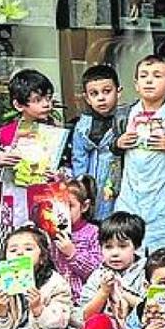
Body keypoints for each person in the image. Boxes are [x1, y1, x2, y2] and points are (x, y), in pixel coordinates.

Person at [51, 212, 147, 329]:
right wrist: (103, 293)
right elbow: (84, 316)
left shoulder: (145, 271)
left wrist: (124, 294)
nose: (115, 253)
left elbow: (148, 310)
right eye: (108, 247)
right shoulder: (98, 275)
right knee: (99, 321)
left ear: (136, 247)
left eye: (122, 246)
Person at [112, 55, 165, 252]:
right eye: (143, 76)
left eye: (157, 76)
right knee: (129, 240)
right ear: (136, 84)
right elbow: (113, 147)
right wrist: (119, 142)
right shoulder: (124, 114)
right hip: (132, 187)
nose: (149, 81)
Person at [0, 69, 64, 246]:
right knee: (18, 244)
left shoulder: (57, 133)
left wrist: (59, 174)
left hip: (47, 198)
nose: (46, 104)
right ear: (19, 105)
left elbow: (67, 166)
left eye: (48, 98)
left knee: (48, 245)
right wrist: (0, 159)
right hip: (18, 197)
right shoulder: (6, 133)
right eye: (37, 100)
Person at [69, 64, 122, 221]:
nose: (101, 98)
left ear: (118, 92)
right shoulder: (82, 125)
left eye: (107, 91)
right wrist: (81, 186)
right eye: (94, 93)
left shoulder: (126, 120)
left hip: (117, 179)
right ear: (87, 98)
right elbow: (79, 157)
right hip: (92, 182)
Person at [48, 176, 103, 303]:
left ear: (84, 206)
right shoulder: (49, 233)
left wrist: (73, 254)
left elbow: (97, 270)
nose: (63, 212)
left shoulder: (93, 232)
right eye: (58, 207)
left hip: (84, 298)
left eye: (70, 206)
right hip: (56, 298)